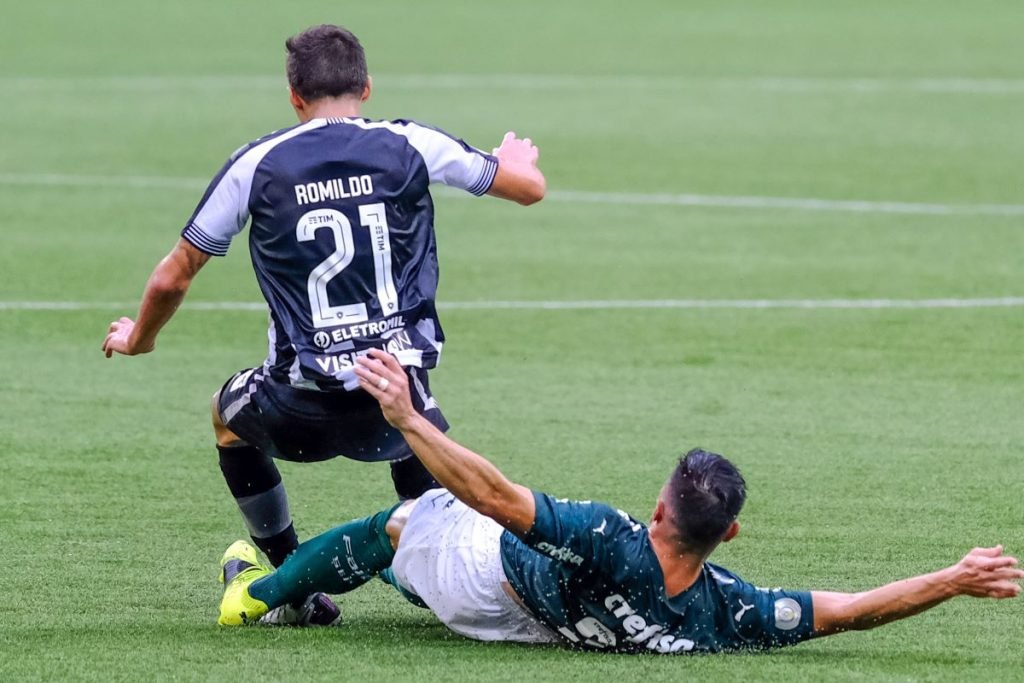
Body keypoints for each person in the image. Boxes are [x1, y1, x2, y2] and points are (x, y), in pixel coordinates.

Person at [101, 23, 546, 622]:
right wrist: (514, 161)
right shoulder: (409, 142)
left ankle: (294, 582)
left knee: (225, 417)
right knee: (436, 526)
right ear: (367, 86)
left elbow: (173, 276)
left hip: (296, 408)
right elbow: (528, 189)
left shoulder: (255, 163)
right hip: (397, 410)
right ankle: (445, 573)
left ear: (293, 96)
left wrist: (138, 339)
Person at [215, 349, 1022, 652]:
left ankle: (257, 596)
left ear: (662, 511)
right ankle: (365, 578)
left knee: (403, 521)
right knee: (425, 557)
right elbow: (845, 609)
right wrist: (948, 578)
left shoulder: (611, 537)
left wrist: (405, 416)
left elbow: (492, 493)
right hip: (533, 624)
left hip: (495, 581)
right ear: (730, 532)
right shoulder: (726, 611)